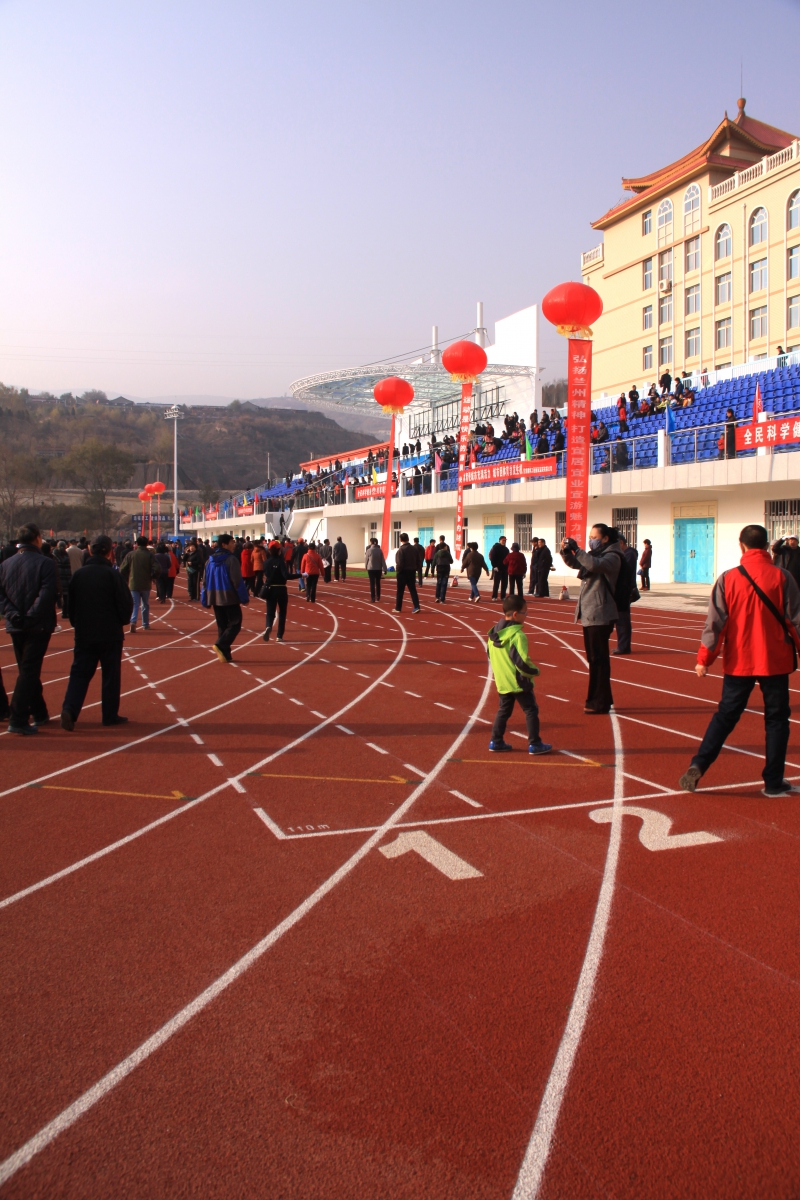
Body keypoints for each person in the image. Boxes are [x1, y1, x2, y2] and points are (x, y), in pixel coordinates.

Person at [679, 524, 800, 797]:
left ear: (741, 545)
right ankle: (773, 781)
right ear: (767, 546)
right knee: (777, 719)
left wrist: (704, 659)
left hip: (739, 660)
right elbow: (796, 622)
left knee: (726, 716)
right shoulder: (783, 577)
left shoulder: (728, 578)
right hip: (775, 660)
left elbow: (715, 624)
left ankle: (699, 764)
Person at [60, 534, 134, 730]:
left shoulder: (79, 575)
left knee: (79, 673)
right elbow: (125, 603)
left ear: (90, 551)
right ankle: (109, 715)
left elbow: (71, 606)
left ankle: (69, 709)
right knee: (110, 675)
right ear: (110, 552)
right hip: (110, 633)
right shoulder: (113, 575)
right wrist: (122, 621)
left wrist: (77, 624)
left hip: (84, 632)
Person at [0, 523, 58, 734]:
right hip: (38, 625)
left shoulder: (5, 564)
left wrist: (12, 614)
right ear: (37, 538)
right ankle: (18, 718)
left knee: (26, 669)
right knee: (29, 671)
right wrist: (31, 615)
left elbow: (1, 596)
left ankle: (39, 712)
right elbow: (47, 593)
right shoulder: (46, 563)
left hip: (16, 624)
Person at [560, 524, 623, 714]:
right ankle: (600, 699)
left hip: (601, 613)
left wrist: (577, 549)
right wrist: (566, 552)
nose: (591, 540)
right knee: (595, 659)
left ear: (605, 539)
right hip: (590, 612)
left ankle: (599, 702)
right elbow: (578, 564)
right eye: (590, 537)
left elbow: (595, 565)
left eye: (594, 537)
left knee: (599, 660)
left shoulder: (612, 556)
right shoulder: (596, 554)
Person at [487, 593, 552, 755]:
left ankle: (496, 741)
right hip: (519, 681)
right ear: (516, 614)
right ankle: (535, 743)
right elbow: (521, 663)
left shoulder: (493, 635)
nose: (526, 615)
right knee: (531, 710)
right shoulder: (517, 635)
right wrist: (535, 671)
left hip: (502, 681)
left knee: (504, 711)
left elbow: (490, 655)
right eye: (525, 612)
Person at [201, 533, 249, 663]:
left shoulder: (209, 561)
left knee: (222, 625)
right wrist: (244, 597)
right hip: (229, 596)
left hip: (214, 596)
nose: (234, 545)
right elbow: (237, 581)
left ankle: (225, 654)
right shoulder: (231, 560)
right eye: (232, 542)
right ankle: (221, 645)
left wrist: (205, 598)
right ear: (224, 544)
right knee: (235, 623)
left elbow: (204, 582)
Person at [120, 536, 160, 632]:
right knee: (145, 604)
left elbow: (122, 569)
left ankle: (133, 621)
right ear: (146, 544)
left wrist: (127, 577)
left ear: (136, 544)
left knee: (135, 603)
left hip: (133, 582)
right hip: (145, 583)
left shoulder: (131, 554)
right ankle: (145, 624)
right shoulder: (149, 555)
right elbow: (157, 568)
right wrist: (153, 576)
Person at [613, 536, 638, 655]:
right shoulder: (625, 554)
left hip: (624, 591)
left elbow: (624, 571)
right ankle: (622, 645)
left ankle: (623, 646)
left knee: (622, 619)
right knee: (620, 619)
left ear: (621, 543)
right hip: (620, 590)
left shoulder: (629, 554)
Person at [260, 542, 289, 642]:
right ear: (279, 550)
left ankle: (268, 626)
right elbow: (286, 576)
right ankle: (279, 635)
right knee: (282, 613)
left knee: (270, 612)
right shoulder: (281, 562)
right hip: (281, 588)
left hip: (270, 589)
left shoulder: (266, 562)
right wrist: (301, 575)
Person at [393, 533, 420, 613]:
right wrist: (416, 568)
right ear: (408, 539)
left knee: (400, 591)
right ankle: (417, 606)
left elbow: (399, 563)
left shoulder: (401, 550)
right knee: (413, 590)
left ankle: (398, 608)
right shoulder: (414, 549)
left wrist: (398, 571)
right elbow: (419, 560)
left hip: (402, 572)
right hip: (412, 572)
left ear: (401, 540)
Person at [53, 540, 72, 621]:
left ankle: (59, 608)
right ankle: (65, 612)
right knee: (66, 596)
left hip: (58, 578)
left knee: (57, 596)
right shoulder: (66, 556)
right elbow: (68, 568)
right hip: (65, 578)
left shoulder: (54, 556)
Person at [365, 538, 386, 602]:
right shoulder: (379, 550)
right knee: (378, 583)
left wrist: (366, 567)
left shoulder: (369, 550)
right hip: (378, 569)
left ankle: (373, 598)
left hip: (371, 569)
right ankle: (378, 596)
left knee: (372, 583)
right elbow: (382, 560)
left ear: (371, 542)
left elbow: (366, 560)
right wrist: (385, 568)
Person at [489, 535, 509, 601]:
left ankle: (503, 596)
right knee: (496, 583)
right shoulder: (496, 548)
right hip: (498, 568)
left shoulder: (506, 549)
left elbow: (508, 559)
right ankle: (494, 596)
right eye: (503, 540)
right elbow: (493, 558)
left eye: (505, 540)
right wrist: (494, 566)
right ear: (500, 540)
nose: (504, 542)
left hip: (505, 568)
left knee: (504, 583)